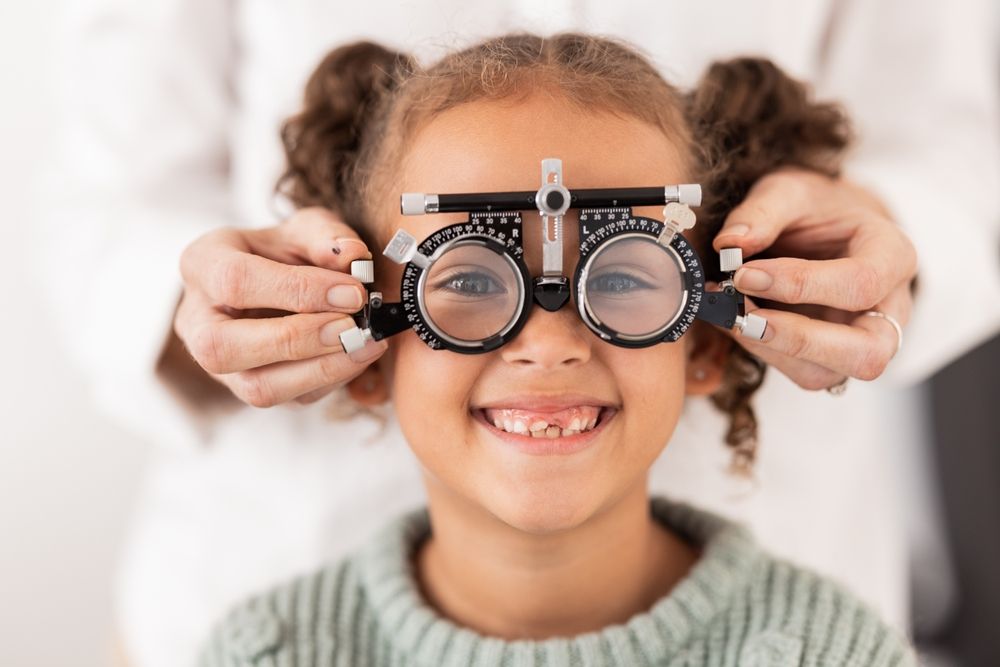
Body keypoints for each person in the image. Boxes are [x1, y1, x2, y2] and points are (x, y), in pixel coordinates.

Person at [39, 2, 998, 666]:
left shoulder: (828, 648)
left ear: (707, 338)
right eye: (468, 279)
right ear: (366, 348)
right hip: (267, 534)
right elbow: (110, 198)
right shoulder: (263, 647)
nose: (548, 339)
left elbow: (963, 141)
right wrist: (224, 302)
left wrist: (872, 237)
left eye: (621, 275)